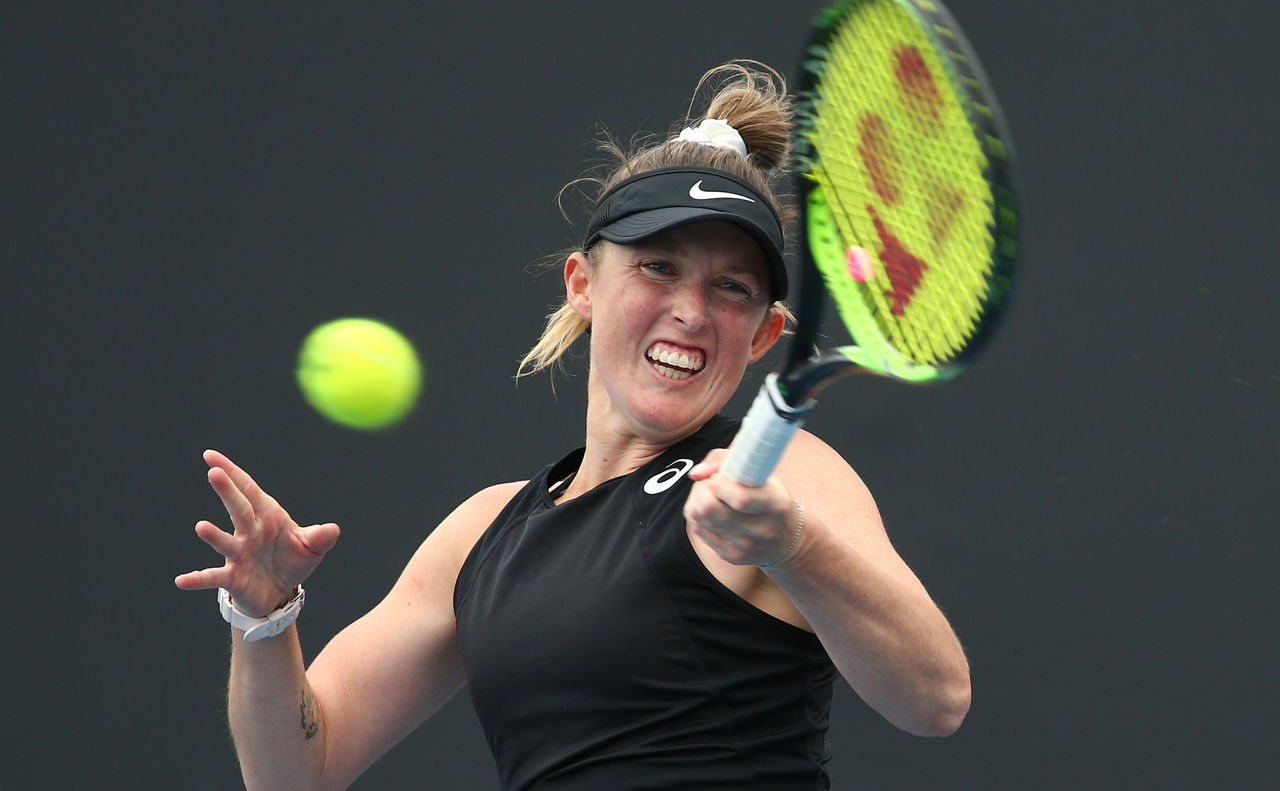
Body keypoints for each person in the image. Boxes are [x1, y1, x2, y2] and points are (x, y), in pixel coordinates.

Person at [174, 61, 970, 791]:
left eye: (732, 288)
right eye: (658, 267)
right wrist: (262, 616)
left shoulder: (778, 474)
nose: (691, 312)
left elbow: (935, 696)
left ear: (763, 333)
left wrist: (792, 546)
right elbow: (296, 775)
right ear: (582, 283)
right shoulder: (482, 533)